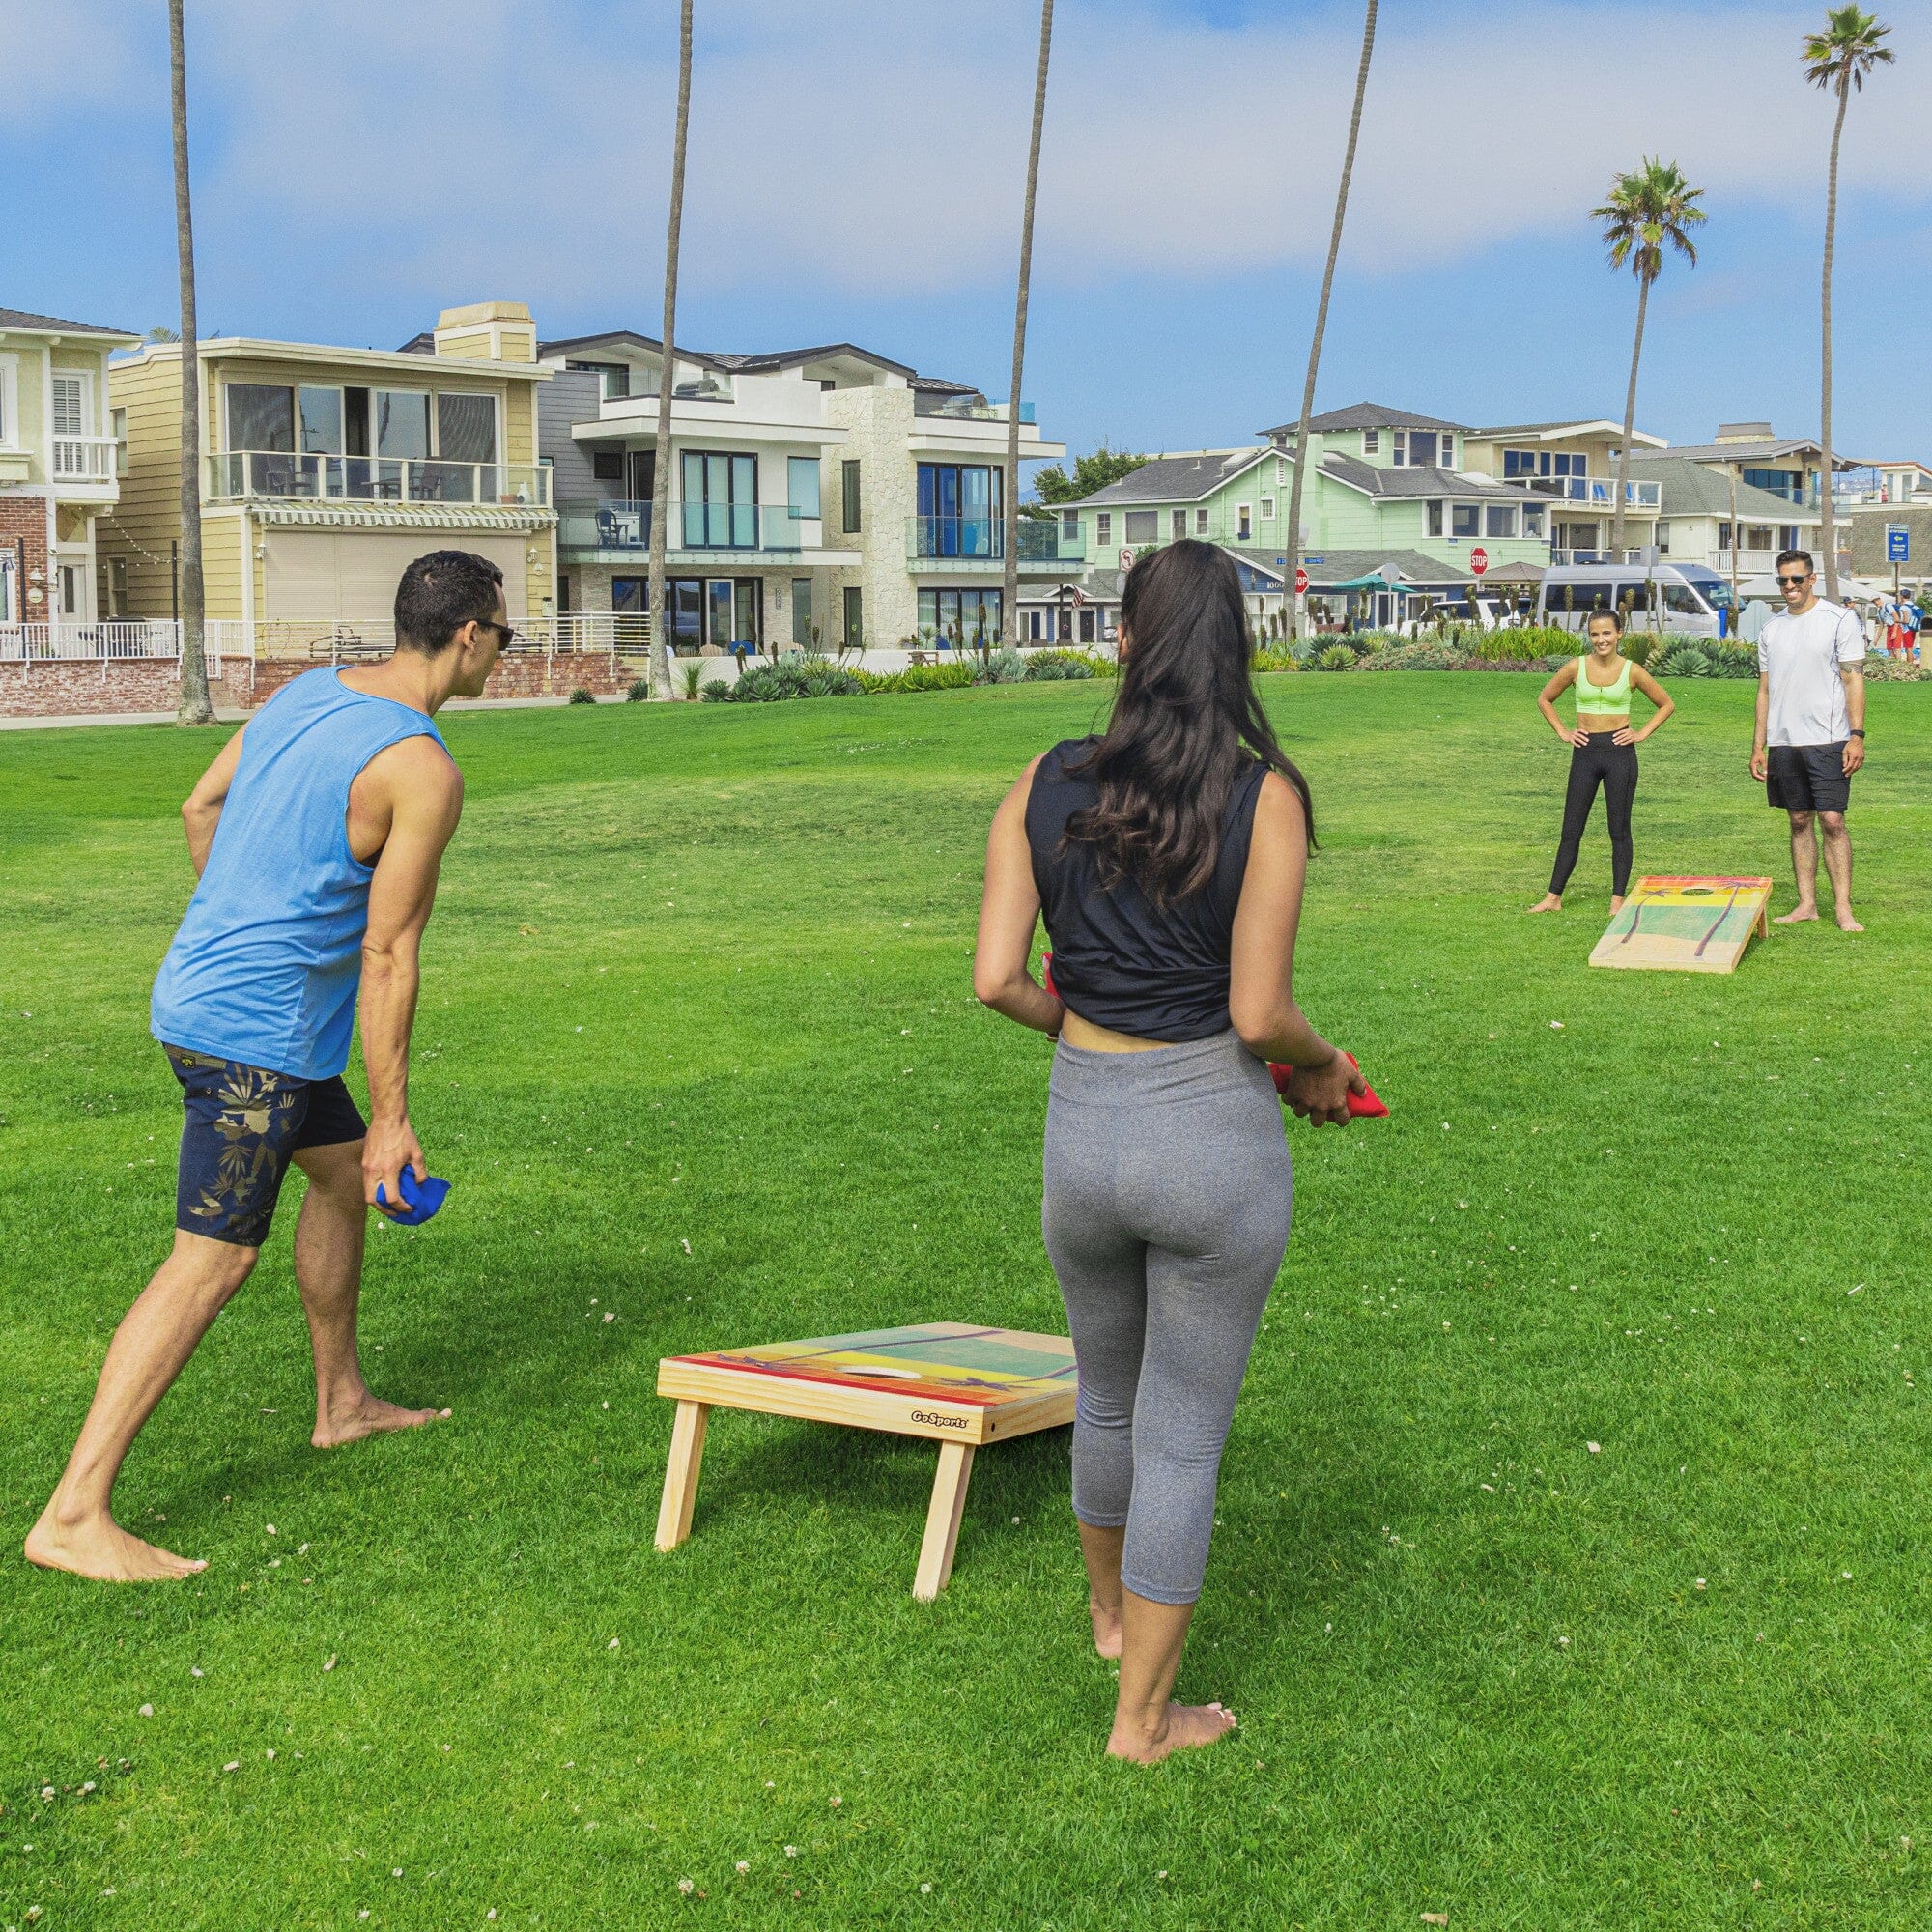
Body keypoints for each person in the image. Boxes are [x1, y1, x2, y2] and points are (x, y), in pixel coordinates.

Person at [25, 551, 508, 1582]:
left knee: (337, 1179)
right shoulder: (422, 768)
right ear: (469, 635)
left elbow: (199, 808)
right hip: (255, 1040)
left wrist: (244, 922)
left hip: (207, 1000)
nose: (501, 653)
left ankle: (342, 1403)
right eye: (503, 635)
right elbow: (388, 952)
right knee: (212, 1258)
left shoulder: (305, 692)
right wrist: (394, 1116)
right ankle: (73, 1513)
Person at [973, 540, 1364, 1763]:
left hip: (1081, 1135)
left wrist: (1080, 1030)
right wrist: (1323, 1063)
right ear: (1233, 646)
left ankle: (1108, 1622)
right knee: (1181, 1431)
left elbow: (994, 979)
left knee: (1105, 1394)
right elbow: (1258, 1012)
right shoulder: (1263, 794)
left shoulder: (1042, 779)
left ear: (1125, 638)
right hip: (1206, 1141)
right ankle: (1142, 1720)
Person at [1526, 609, 1674, 915]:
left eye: (1607, 633)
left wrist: (1641, 733)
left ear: (1619, 634)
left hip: (1620, 754)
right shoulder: (1575, 667)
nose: (1600, 639)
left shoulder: (1632, 671)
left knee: (1618, 830)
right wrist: (1564, 732)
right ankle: (1553, 898)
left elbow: (1666, 704)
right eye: (1594, 634)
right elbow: (1544, 699)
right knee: (1571, 829)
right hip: (1585, 753)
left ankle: (1617, 900)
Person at [1751, 548, 1865, 931]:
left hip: (1830, 739)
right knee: (1799, 819)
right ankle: (1807, 904)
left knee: (1832, 820)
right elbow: (1765, 690)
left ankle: (1843, 909)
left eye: (1796, 579)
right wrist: (1758, 745)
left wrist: (1856, 736)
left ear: (1812, 579)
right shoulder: (1771, 629)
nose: (1789, 586)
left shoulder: (1839, 619)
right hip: (1784, 742)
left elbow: (1853, 679)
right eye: (1782, 580)